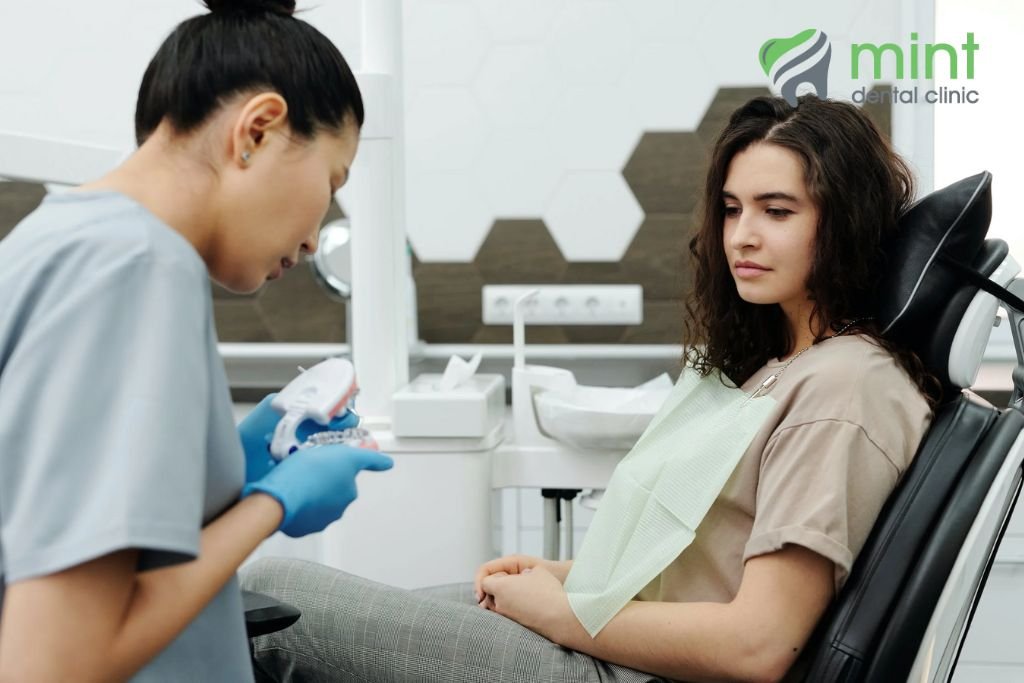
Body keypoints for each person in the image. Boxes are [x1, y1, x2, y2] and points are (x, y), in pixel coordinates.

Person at [240, 94, 938, 683]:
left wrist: (561, 613)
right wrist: (567, 574)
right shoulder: (783, 364)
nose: (742, 237)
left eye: (777, 211)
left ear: (845, 222)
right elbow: (700, 561)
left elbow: (759, 644)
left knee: (273, 599)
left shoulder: (845, 386)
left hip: (627, 671)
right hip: (612, 641)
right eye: (732, 209)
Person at [0, 1, 392, 681]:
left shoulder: (57, 237)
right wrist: (272, 504)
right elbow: (53, 662)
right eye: (332, 181)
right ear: (257, 130)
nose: (312, 238)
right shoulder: (139, 267)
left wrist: (228, 472)